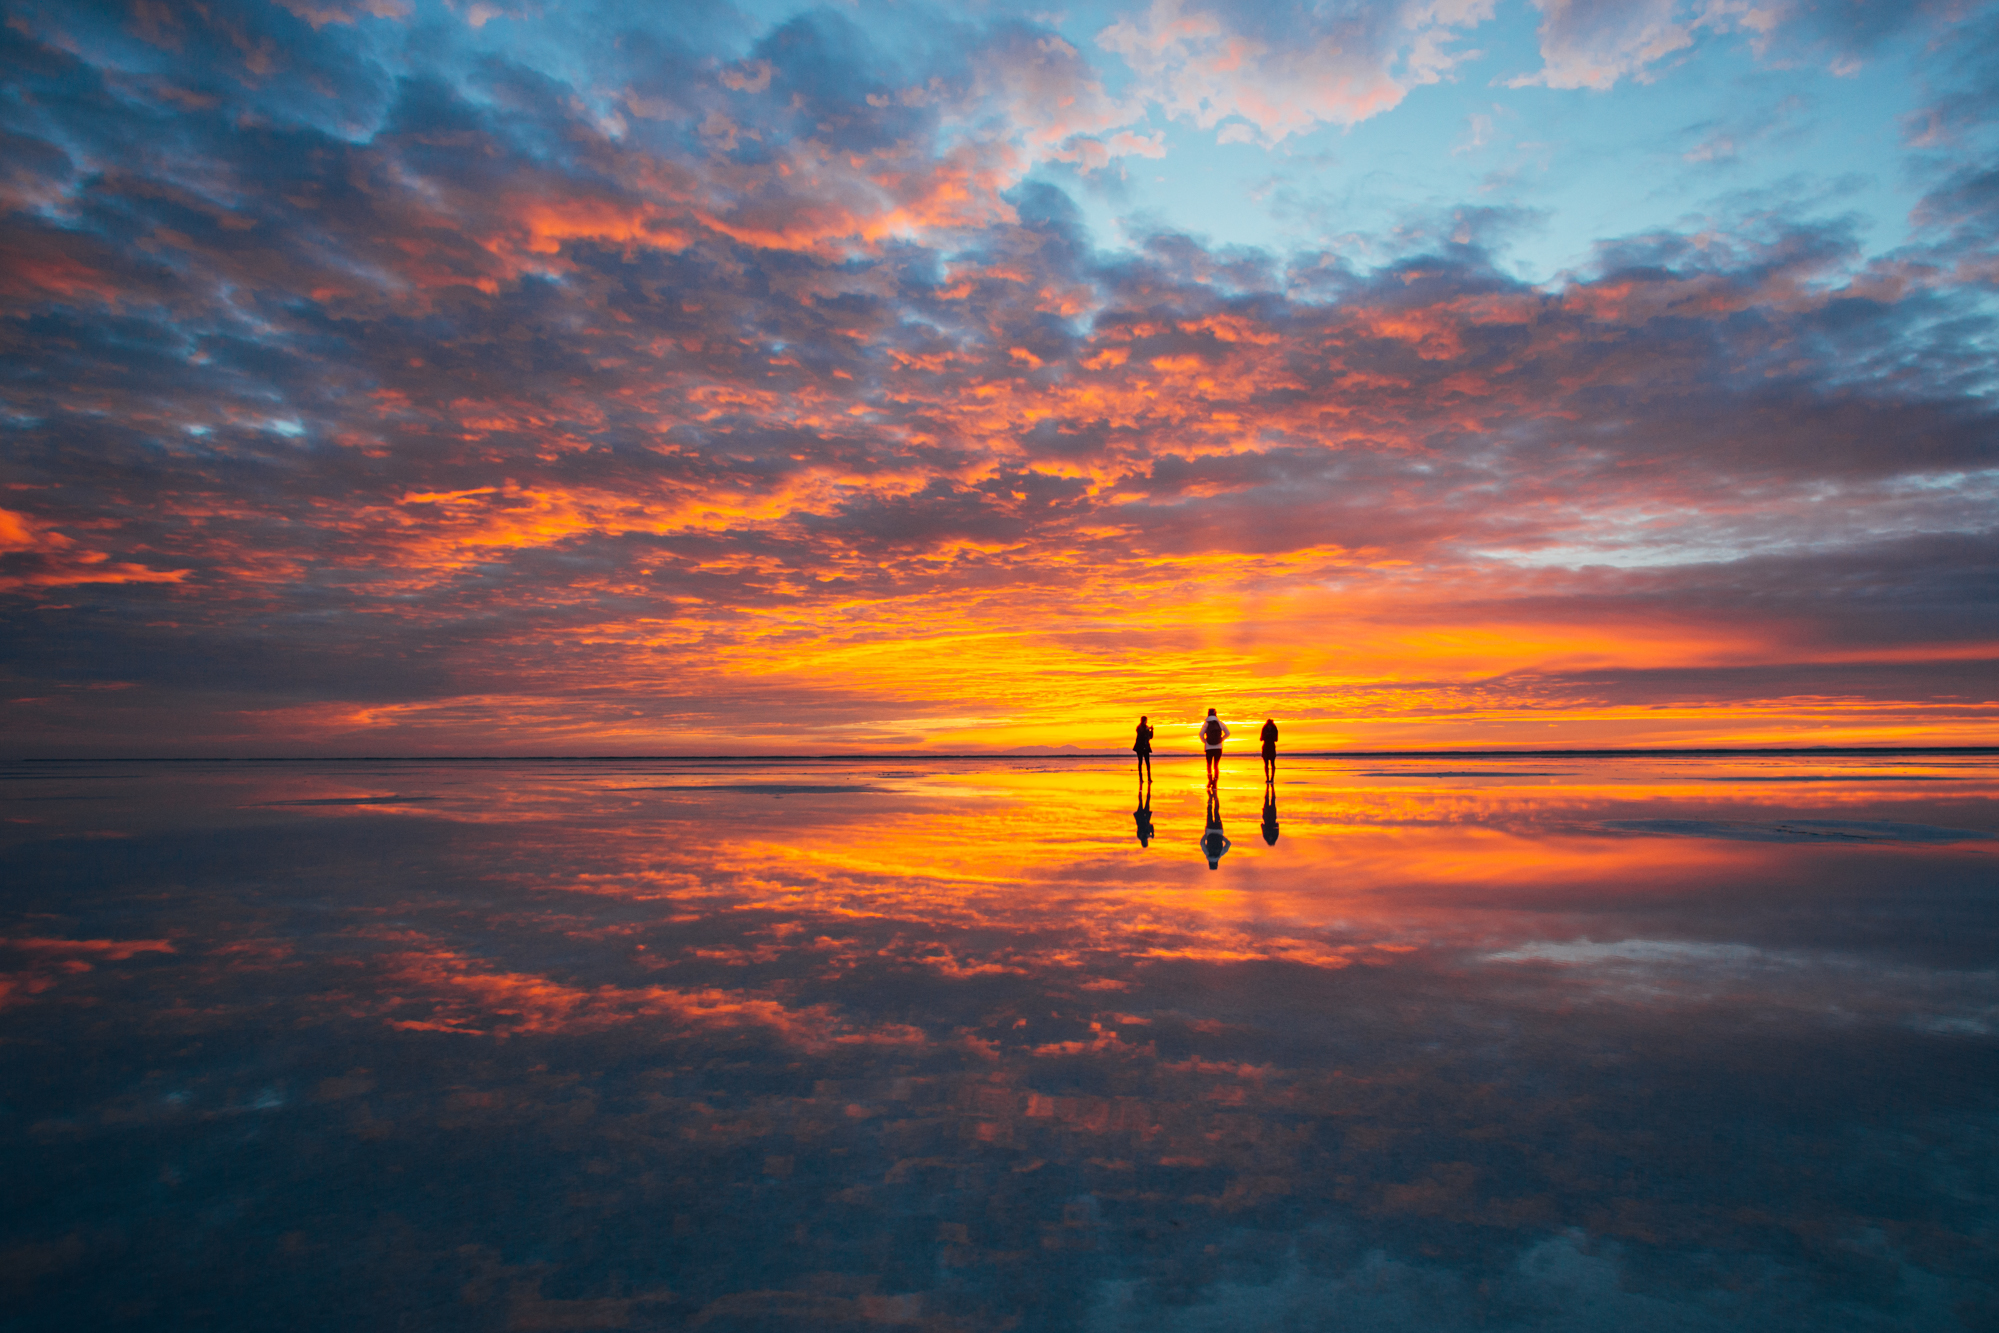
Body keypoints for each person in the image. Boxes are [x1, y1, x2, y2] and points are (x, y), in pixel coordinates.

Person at [1200, 786, 1230, 869]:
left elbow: (1229, 843)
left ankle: (1216, 799)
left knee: (1216, 812)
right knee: (1209, 813)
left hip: (1219, 830)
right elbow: (1202, 843)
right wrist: (1206, 835)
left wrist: (1222, 837)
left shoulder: (1221, 854)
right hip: (1209, 830)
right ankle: (1210, 800)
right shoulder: (1207, 853)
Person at [1199, 707, 1229, 785]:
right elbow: (1228, 733)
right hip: (1218, 747)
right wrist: (1222, 739)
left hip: (1209, 748)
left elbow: (1201, 734)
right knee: (1216, 765)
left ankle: (1210, 780)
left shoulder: (1206, 724)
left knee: (1209, 765)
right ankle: (1215, 781)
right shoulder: (1220, 723)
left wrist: (1205, 741)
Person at [1132, 715, 1155, 786]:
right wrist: (1147, 729)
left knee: (1148, 763)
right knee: (1140, 762)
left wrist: (1151, 730)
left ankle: (1149, 778)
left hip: (1146, 747)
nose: (1146, 721)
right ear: (1143, 720)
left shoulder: (1146, 728)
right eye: (1145, 720)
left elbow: (1150, 737)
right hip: (1140, 747)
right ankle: (1141, 778)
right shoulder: (1139, 727)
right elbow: (1140, 732)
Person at [1259, 717, 1278, 784]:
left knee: (1272, 763)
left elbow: (1276, 739)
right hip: (1266, 746)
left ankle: (1272, 778)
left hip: (1271, 747)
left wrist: (1270, 736)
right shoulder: (1264, 728)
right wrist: (1266, 736)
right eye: (1268, 725)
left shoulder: (1274, 728)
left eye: (1270, 725)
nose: (1269, 726)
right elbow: (1261, 738)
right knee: (1266, 763)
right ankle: (1267, 778)